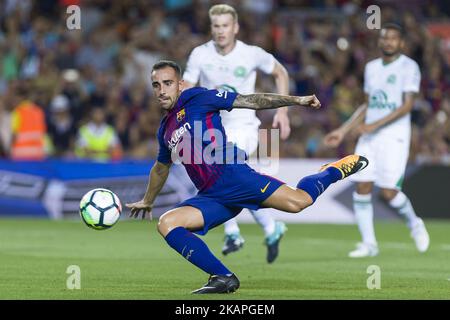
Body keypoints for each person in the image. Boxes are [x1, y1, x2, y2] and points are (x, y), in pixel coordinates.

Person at [126, 60, 368, 294]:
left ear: (180, 84)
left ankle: (332, 171)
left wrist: (295, 101)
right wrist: (148, 200)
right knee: (167, 223)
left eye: (167, 83)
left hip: (235, 178)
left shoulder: (197, 97)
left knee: (299, 202)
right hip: (211, 196)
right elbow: (160, 167)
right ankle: (223, 277)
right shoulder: (164, 129)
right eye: (156, 85)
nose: (161, 90)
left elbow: (250, 101)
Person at [183, 4, 291, 262]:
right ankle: (269, 227)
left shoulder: (251, 54)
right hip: (212, 127)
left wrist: (283, 111)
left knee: (225, 171)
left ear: (235, 27)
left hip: (244, 125)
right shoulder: (200, 54)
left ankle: (232, 231)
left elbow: (280, 71)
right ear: (212, 28)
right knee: (230, 180)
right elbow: (187, 84)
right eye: (216, 26)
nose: (221, 31)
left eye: (225, 26)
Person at [323, 23, 430, 258]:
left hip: (395, 137)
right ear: (380, 41)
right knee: (362, 185)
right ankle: (369, 244)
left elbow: (407, 105)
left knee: (389, 192)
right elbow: (367, 104)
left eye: (393, 38)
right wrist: (343, 130)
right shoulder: (371, 68)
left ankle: (414, 224)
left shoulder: (408, 67)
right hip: (369, 136)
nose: (388, 42)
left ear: (401, 43)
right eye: (385, 38)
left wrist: (374, 124)